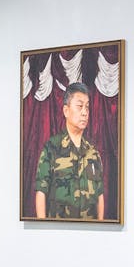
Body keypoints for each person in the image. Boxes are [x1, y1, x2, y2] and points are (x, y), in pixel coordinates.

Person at [34, 82, 106, 219]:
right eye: (79, 107)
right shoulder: (52, 147)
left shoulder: (93, 151)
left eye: (87, 107)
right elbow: (41, 191)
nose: (85, 112)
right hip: (59, 231)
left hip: (89, 233)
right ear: (66, 111)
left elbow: (99, 194)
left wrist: (101, 226)